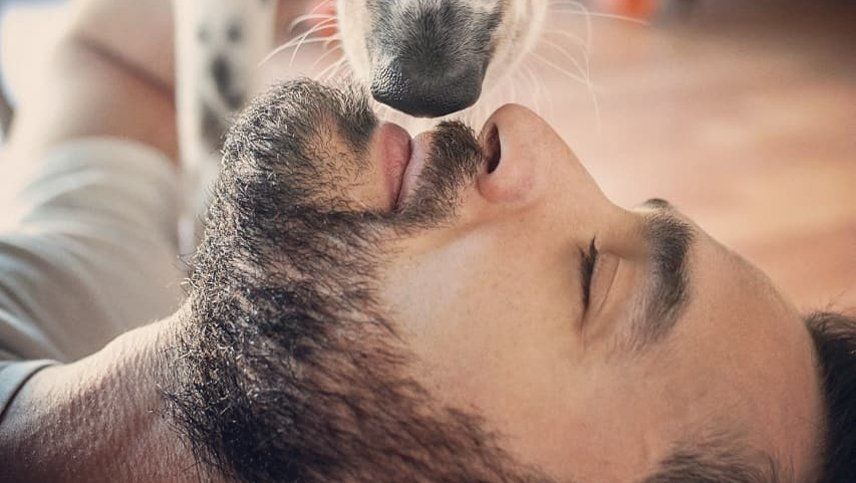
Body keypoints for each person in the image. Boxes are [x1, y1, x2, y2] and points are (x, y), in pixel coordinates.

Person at [0, 1, 854, 482]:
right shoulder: (103, 297)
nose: (519, 128)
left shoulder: (63, 308)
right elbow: (112, 58)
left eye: (595, 277)